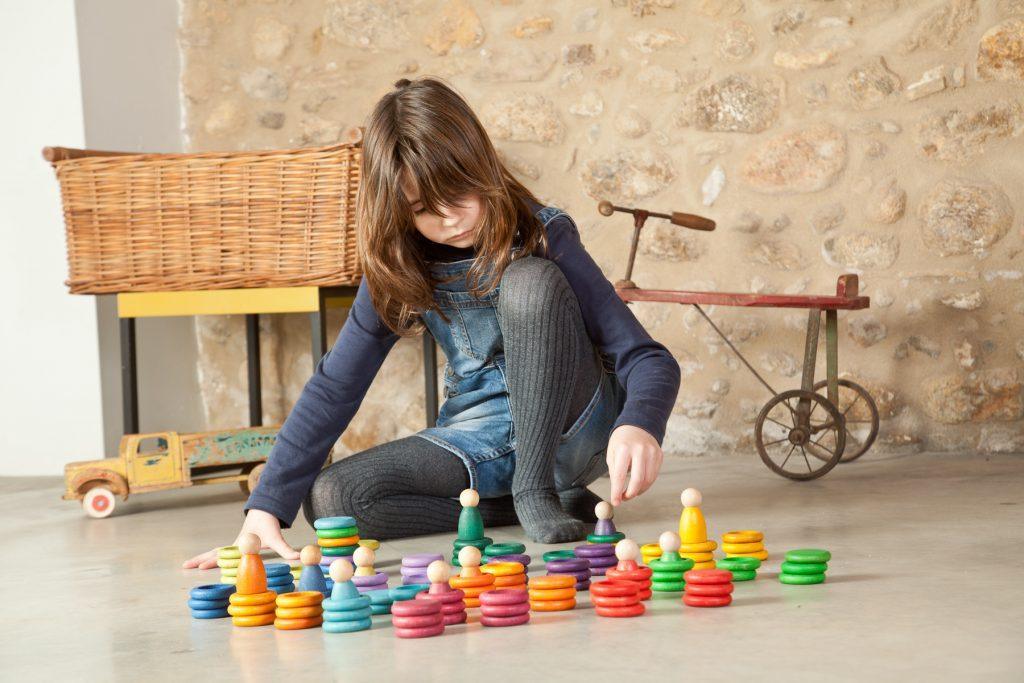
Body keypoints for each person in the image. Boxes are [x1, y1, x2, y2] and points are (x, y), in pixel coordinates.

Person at [184, 76, 679, 570]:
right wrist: (266, 506)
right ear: (397, 207)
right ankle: (539, 500)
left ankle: (536, 489)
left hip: (573, 430)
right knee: (334, 499)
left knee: (530, 281)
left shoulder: (542, 233)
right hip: (480, 434)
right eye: (423, 208)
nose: (451, 218)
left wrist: (640, 424)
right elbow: (337, 384)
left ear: (481, 165)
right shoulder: (399, 262)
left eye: (460, 191)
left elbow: (647, 358)